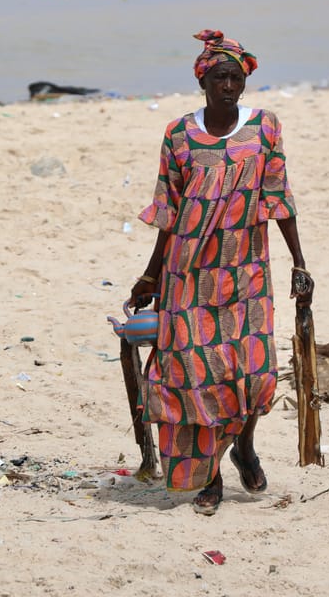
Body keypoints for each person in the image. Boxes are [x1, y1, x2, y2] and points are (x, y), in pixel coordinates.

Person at [130, 29, 314, 515]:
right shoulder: (178, 134)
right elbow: (168, 213)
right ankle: (209, 476)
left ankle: (244, 444)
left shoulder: (265, 129)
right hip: (188, 276)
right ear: (203, 81)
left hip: (247, 272)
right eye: (219, 78)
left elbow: (279, 197)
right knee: (197, 376)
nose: (228, 86)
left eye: (235, 78)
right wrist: (151, 276)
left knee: (253, 373)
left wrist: (299, 262)